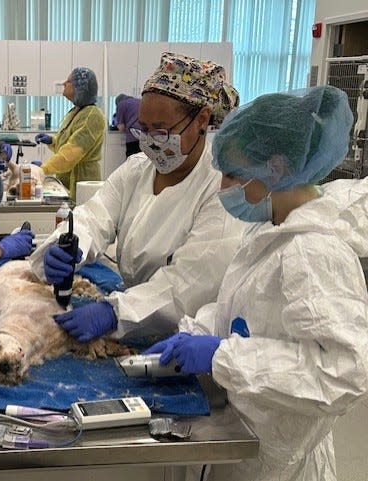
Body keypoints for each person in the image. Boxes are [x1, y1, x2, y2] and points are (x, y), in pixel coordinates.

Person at [148, 85, 368, 481]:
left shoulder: (315, 253)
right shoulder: (270, 230)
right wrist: (192, 334)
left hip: (281, 464)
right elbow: (243, 311)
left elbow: (342, 374)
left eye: (234, 174)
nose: (223, 188)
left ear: (278, 168)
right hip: (245, 441)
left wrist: (222, 355)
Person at [30, 52, 244, 342]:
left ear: (202, 120)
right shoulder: (137, 169)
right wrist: (69, 243)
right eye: (144, 129)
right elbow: (95, 214)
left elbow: (189, 285)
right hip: (131, 317)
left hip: (179, 337)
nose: (151, 141)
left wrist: (116, 313)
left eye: (161, 130)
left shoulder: (220, 189)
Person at [33, 67, 105, 199]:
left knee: (79, 216)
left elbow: (71, 152)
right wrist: (52, 141)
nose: (64, 83)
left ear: (81, 88)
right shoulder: (76, 112)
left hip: (83, 181)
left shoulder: (93, 115)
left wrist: (44, 168)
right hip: (69, 177)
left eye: (69, 81)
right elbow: (67, 143)